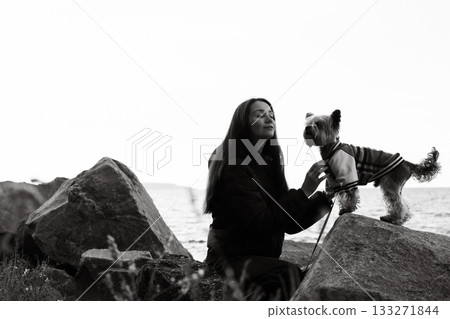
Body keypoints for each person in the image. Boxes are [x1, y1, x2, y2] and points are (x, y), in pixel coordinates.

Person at [203, 98, 334, 300]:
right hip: (230, 260)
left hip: (259, 258)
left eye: (271, 115)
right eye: (260, 114)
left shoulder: (269, 161)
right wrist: (303, 191)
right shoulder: (230, 163)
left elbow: (288, 222)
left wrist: (327, 197)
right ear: (243, 122)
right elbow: (260, 223)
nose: (269, 119)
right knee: (289, 274)